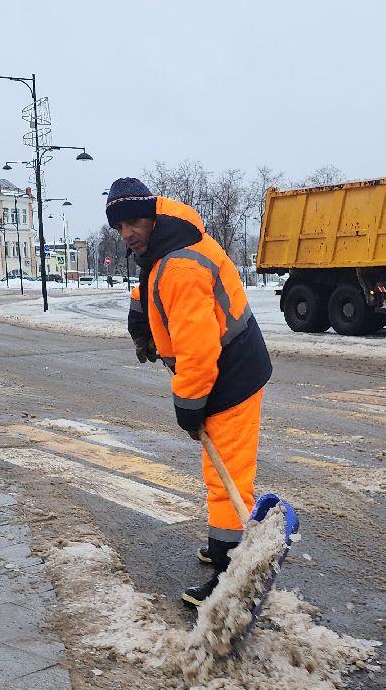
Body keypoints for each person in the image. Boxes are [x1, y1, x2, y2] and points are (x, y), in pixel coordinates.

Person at [106, 177, 272, 608]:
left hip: (229, 376)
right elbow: (150, 284)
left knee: (227, 476)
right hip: (224, 371)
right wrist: (141, 318)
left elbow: (198, 352)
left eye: (134, 223)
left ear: (153, 216)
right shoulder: (166, 245)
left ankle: (231, 573)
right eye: (120, 227)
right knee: (217, 471)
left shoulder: (179, 265)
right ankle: (223, 547)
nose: (128, 234)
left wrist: (188, 405)